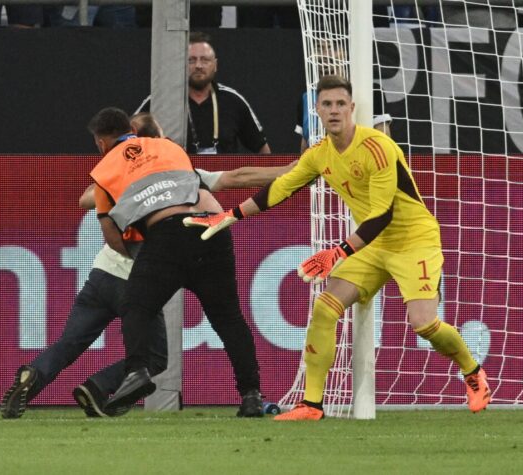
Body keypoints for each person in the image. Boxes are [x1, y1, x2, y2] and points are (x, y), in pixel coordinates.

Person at [184, 75, 492, 420]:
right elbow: (281, 188)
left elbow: (381, 215)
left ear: (352, 109)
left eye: (340, 104)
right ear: (316, 110)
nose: (334, 111)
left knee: (423, 323)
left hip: (412, 241)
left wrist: (339, 252)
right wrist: (230, 215)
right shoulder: (320, 155)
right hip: (371, 247)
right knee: (325, 308)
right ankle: (312, 405)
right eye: (327, 104)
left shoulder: (378, 147)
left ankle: (472, 371)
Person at [1, 112, 291, 419]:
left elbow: (94, 211)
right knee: (226, 320)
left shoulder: (107, 173)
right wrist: (290, 170)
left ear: (101, 143)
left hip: (120, 264)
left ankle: (84, 375)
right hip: (209, 232)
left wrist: (138, 237)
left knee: (104, 326)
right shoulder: (172, 156)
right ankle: (251, 395)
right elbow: (237, 177)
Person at [135, 31, 271, 155]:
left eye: (205, 60)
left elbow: (262, 149)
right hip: (177, 178)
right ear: (181, 65)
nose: (198, 66)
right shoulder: (160, 100)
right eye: (191, 60)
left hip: (226, 179)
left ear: (215, 65)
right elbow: (128, 141)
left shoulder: (233, 100)